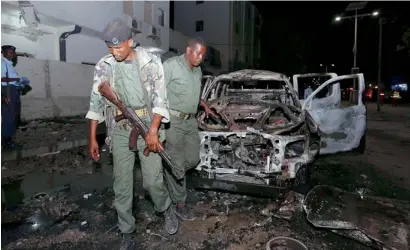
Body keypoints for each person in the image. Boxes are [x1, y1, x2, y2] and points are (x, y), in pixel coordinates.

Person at [85, 18, 178, 250]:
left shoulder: (150, 62)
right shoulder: (104, 65)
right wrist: (92, 138)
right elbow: (96, 101)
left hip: (148, 123)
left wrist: (154, 131)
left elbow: (160, 99)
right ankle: (127, 230)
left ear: (130, 41)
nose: (114, 52)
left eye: (118, 47)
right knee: (122, 185)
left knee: (152, 182)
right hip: (120, 128)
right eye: (110, 48)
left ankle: (166, 209)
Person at [162, 37, 216, 221]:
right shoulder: (171, 66)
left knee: (193, 159)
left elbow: (193, 93)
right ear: (187, 50)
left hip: (190, 122)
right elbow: (156, 90)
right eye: (197, 53)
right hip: (173, 122)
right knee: (177, 162)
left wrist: (204, 104)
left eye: (203, 54)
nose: (200, 57)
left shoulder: (198, 70)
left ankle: (169, 171)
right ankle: (180, 204)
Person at [1, 45, 30, 148]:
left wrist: (20, 84)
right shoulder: (2, 63)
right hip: (7, 91)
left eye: (13, 52)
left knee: (14, 116)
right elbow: (1, 80)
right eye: (10, 52)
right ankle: (6, 141)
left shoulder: (10, 65)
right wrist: (4, 95)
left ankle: (8, 138)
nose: (12, 54)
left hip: (13, 90)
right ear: (3, 52)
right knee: (9, 116)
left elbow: (10, 80)